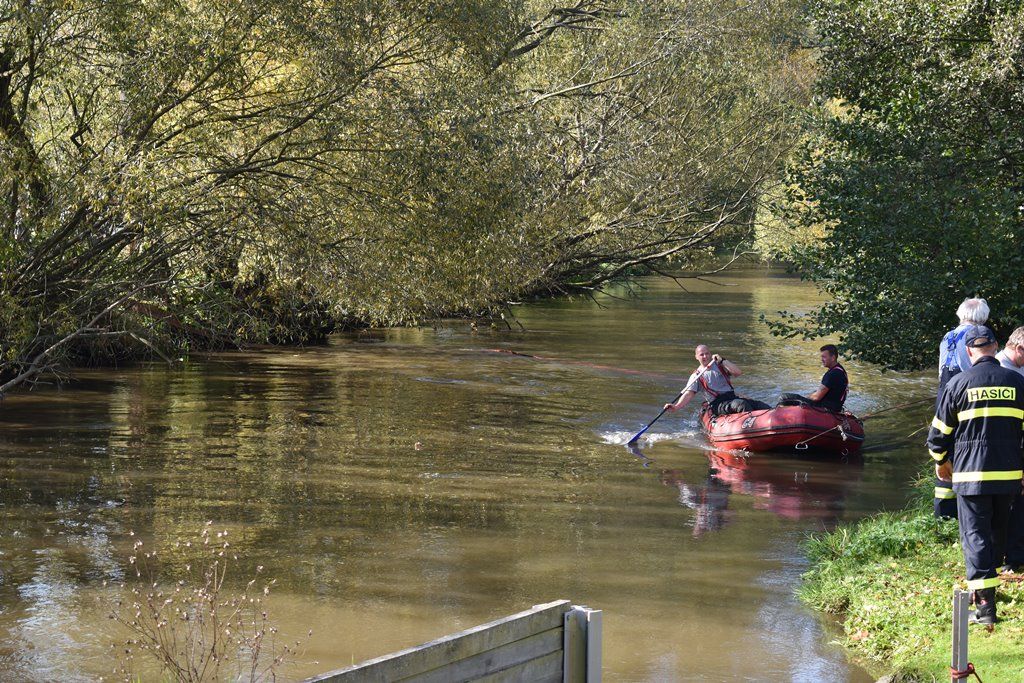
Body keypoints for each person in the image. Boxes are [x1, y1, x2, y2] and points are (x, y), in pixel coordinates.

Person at [927, 325, 1024, 625]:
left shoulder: (957, 384)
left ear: (969, 352)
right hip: (1008, 476)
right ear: (995, 347)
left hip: (971, 477)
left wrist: (941, 461)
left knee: (975, 537)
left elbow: (938, 436)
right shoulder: (1017, 384)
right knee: (997, 532)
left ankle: (985, 609)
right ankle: (989, 590)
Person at [934, 298, 990, 518]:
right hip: (964, 396)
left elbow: (941, 371)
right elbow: (974, 370)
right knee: (966, 448)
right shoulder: (975, 336)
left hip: (944, 395)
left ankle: (943, 512)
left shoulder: (948, 335)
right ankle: (968, 508)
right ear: (982, 317)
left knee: (944, 449)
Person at [664, 345, 770, 417]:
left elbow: (737, 372)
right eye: (701, 354)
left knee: (761, 406)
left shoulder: (721, 365)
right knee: (740, 404)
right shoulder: (696, 376)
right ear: (696, 357)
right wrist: (676, 406)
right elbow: (688, 394)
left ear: (711, 354)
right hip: (718, 404)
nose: (705, 356)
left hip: (732, 397)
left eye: (707, 353)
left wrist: (723, 360)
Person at [996, 326, 1024, 572]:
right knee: (1010, 504)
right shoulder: (999, 370)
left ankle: (1014, 555)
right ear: (1018, 348)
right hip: (1006, 446)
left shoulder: (1018, 368)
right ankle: (1010, 557)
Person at [777, 344, 849, 413]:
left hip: (826, 408)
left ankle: (780, 418)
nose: (822, 359)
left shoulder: (832, 374)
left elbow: (816, 397)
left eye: (824, 357)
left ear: (833, 358)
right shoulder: (840, 370)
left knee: (784, 398)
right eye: (821, 357)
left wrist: (805, 398)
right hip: (835, 406)